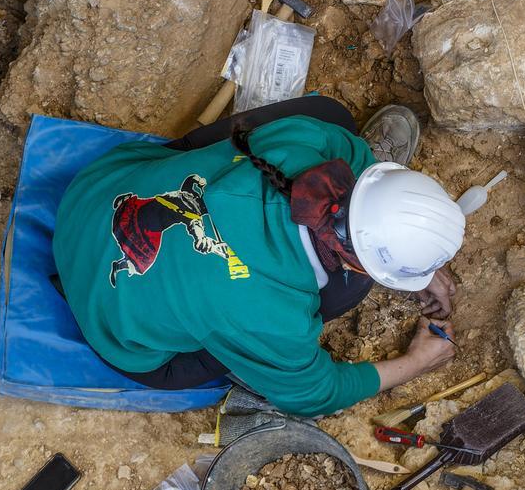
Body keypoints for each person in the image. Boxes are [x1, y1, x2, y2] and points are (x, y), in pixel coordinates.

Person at [53, 95, 465, 417]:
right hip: (114, 330)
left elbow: (354, 156)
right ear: (358, 256)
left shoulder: (304, 145)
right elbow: (314, 393)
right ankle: (252, 365)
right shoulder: (275, 319)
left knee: (329, 114)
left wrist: (414, 255)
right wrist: (415, 362)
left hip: (93, 195)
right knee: (347, 290)